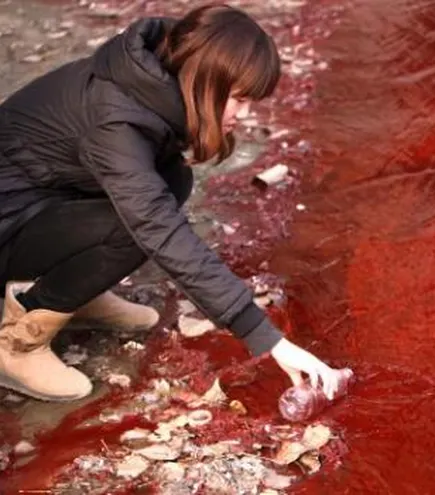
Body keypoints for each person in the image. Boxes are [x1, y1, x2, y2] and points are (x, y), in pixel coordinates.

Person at [0, 3, 342, 402]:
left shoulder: (157, 75)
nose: (245, 116)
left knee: (171, 179)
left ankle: (75, 293)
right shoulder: (116, 121)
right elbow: (156, 226)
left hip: (40, 197)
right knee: (138, 224)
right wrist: (264, 335)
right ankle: (17, 343)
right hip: (8, 220)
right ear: (204, 80)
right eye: (239, 100)